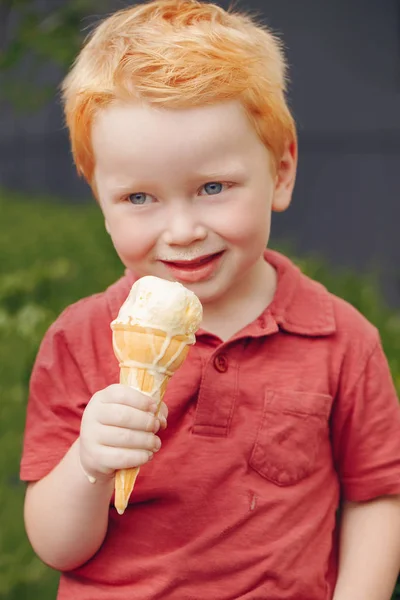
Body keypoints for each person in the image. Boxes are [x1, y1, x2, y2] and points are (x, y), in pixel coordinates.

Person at [20, 0, 400, 598]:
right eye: (139, 198)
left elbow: (376, 496)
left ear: (280, 172)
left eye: (213, 187)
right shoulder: (80, 338)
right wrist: (88, 463)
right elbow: (55, 545)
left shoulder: (341, 339)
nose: (182, 230)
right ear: (99, 198)